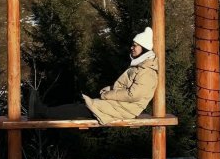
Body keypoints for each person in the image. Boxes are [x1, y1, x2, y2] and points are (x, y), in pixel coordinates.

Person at [28, 26, 158, 125]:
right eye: (132, 45)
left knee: (83, 107)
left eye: (135, 46)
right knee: (82, 106)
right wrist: (111, 88)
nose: (132, 48)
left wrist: (108, 95)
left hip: (125, 109)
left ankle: (42, 112)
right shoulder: (141, 66)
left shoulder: (147, 71)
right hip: (121, 106)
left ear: (144, 49)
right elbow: (129, 89)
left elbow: (133, 95)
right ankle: (42, 111)